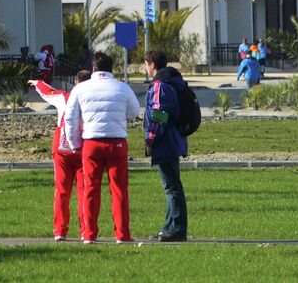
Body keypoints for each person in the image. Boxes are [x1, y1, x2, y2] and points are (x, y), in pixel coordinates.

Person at [61, 51, 144, 245]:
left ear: (93, 68)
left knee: (90, 189)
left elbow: (70, 119)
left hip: (91, 143)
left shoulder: (81, 89)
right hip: (117, 142)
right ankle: (122, 234)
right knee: (119, 190)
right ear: (111, 67)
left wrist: (74, 144)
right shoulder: (122, 88)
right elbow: (133, 112)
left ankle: (89, 234)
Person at [143, 49, 191, 243]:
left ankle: (177, 228)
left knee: (172, 187)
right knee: (171, 185)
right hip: (174, 138)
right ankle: (169, 227)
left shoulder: (159, 86)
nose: (146, 68)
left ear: (152, 64)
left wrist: (150, 139)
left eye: (146, 64)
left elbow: (159, 114)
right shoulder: (172, 82)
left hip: (165, 141)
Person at [33, 78, 82, 241]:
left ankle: (60, 231)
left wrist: (38, 82)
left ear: (75, 82)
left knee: (61, 191)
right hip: (83, 147)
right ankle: (86, 231)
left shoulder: (64, 97)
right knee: (85, 191)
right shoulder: (92, 99)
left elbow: (47, 92)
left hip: (62, 147)